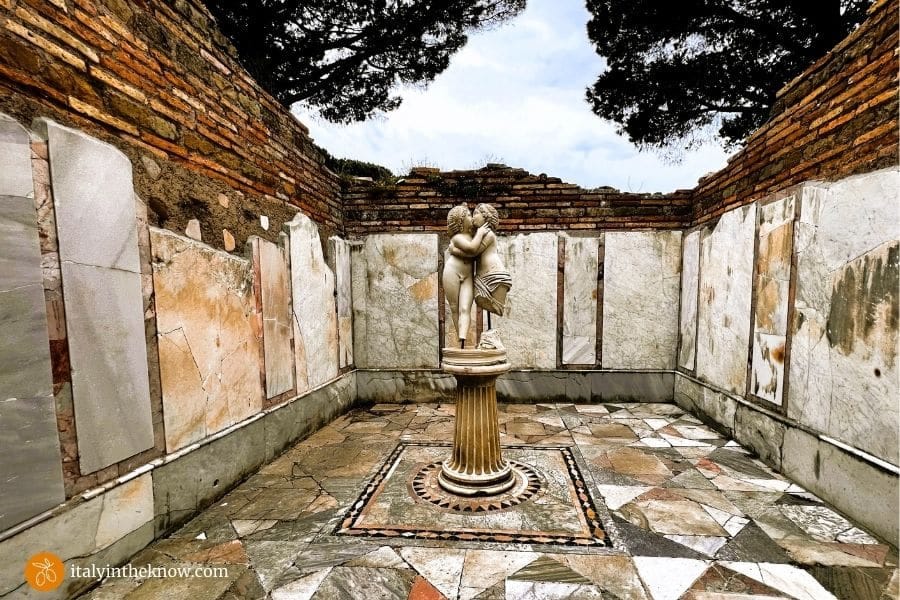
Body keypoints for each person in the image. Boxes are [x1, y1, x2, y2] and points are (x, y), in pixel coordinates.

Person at [441, 205, 490, 348]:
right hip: (452, 272)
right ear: (460, 222)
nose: (471, 217)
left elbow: (475, 254)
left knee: (466, 308)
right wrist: (480, 233)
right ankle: (460, 339)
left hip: (468, 275)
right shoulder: (457, 238)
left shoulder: (474, 235)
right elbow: (471, 248)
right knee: (455, 308)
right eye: (468, 215)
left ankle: (463, 336)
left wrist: (455, 252)